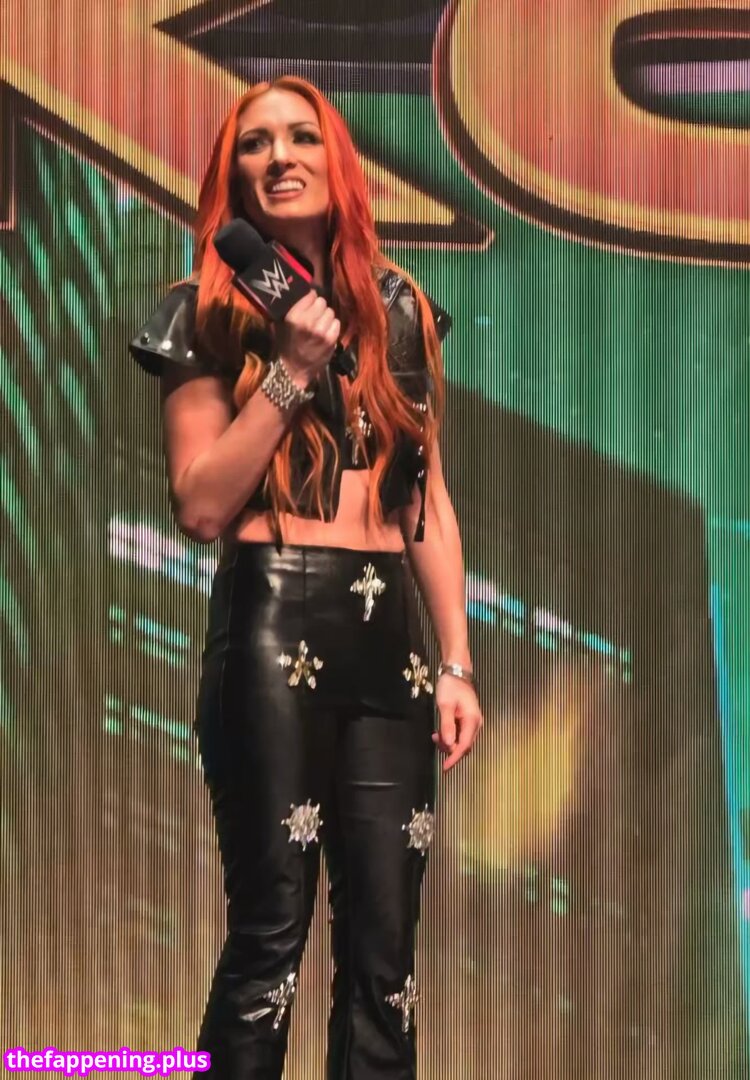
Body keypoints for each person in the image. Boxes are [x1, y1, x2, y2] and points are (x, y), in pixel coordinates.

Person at [128, 75, 483, 1080]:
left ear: (338, 163)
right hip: (274, 620)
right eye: (254, 143)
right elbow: (201, 506)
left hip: (391, 647)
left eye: (300, 136)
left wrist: (456, 661)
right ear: (232, 176)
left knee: (386, 955)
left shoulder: (399, 306)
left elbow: (426, 499)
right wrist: (289, 370)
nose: (279, 156)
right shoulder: (202, 309)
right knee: (269, 940)